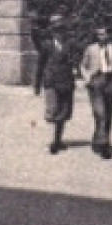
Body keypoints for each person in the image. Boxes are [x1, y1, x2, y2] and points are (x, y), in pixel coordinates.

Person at [78, 25, 112, 159]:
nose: (100, 37)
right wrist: (88, 78)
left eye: (103, 34)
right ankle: (105, 146)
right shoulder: (91, 49)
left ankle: (99, 139)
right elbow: (83, 65)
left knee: (108, 113)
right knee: (100, 112)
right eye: (98, 34)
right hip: (96, 80)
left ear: (109, 35)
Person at [39, 23, 75, 154]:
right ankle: (54, 139)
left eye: (61, 31)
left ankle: (57, 140)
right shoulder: (46, 45)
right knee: (53, 110)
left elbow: (74, 60)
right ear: (53, 33)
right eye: (56, 31)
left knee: (64, 111)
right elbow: (40, 64)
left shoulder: (69, 45)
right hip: (51, 81)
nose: (59, 34)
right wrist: (37, 85)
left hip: (65, 81)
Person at [29, 11, 52, 95]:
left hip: (42, 50)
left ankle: (37, 89)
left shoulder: (36, 30)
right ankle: (42, 88)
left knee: (40, 70)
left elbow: (35, 40)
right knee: (44, 69)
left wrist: (39, 48)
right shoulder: (48, 30)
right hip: (46, 50)